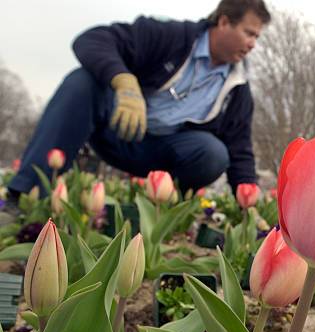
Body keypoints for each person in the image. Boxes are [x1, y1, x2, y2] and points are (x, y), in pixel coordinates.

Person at [0, 0, 270, 224]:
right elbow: (91, 40)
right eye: (249, 33)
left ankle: (164, 216)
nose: (253, 44)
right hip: (117, 131)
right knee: (82, 81)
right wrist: (123, 81)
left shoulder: (237, 88)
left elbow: (240, 146)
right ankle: (22, 194)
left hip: (161, 156)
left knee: (213, 153)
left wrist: (249, 203)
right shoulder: (170, 37)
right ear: (223, 22)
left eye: (257, 36)